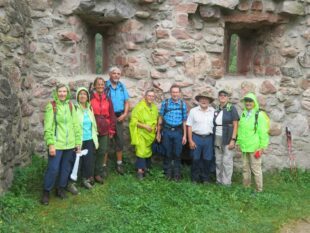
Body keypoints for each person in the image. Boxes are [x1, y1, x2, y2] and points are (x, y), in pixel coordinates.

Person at [41, 84, 82, 205]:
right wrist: (50, 144)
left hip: (70, 144)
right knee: (53, 169)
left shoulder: (71, 106)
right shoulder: (52, 106)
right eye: (60, 91)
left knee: (66, 168)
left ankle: (60, 189)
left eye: (65, 91)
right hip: (57, 144)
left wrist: (78, 142)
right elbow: (48, 127)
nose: (62, 94)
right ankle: (46, 192)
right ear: (56, 93)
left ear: (68, 93)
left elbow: (76, 125)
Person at [237, 92, 269, 192]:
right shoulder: (243, 114)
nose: (248, 103)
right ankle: (246, 187)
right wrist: (238, 142)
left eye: (250, 101)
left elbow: (263, 132)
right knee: (245, 168)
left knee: (256, 169)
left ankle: (259, 189)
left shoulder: (259, 115)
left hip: (255, 147)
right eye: (246, 101)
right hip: (244, 146)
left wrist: (262, 146)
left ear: (254, 102)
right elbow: (240, 130)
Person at [156, 85, 187, 181]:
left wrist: (185, 135)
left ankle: (177, 173)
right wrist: (158, 133)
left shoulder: (183, 104)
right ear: (170, 93)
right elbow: (160, 117)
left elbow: (184, 121)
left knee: (177, 153)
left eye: (177, 92)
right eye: (173, 92)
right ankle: (167, 172)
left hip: (178, 131)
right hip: (167, 130)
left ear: (179, 93)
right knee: (167, 152)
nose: (175, 94)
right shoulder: (165, 103)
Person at [90, 77, 116, 184]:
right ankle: (89, 174)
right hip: (93, 129)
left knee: (102, 151)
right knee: (92, 152)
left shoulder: (107, 99)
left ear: (104, 86)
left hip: (105, 129)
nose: (100, 86)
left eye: (102, 84)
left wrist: (111, 130)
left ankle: (98, 173)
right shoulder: (90, 98)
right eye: (98, 84)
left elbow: (112, 115)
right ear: (95, 86)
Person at [105, 67, 130, 175]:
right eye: (114, 73)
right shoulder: (105, 85)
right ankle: (103, 166)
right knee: (105, 142)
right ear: (110, 74)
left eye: (118, 74)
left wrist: (125, 114)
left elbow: (127, 101)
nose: (116, 75)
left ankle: (119, 164)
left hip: (119, 116)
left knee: (119, 141)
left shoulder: (122, 86)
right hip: (107, 117)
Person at [129, 90, 158, 180]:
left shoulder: (154, 107)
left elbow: (156, 118)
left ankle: (146, 169)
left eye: (152, 96)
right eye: (149, 96)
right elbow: (133, 121)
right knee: (141, 152)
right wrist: (144, 126)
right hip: (141, 133)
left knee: (148, 151)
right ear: (145, 96)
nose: (151, 97)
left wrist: (156, 126)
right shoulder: (139, 107)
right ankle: (140, 172)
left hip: (150, 134)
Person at [187, 91, 215, 184]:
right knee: (195, 158)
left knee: (207, 159)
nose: (204, 100)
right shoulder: (193, 111)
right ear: (198, 100)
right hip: (196, 137)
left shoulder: (213, 111)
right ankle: (195, 178)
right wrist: (190, 140)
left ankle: (205, 178)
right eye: (201, 99)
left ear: (209, 101)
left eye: (206, 99)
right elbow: (189, 126)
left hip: (208, 138)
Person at [214, 89, 239, 186]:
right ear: (218, 97)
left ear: (228, 97)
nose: (222, 97)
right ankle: (219, 181)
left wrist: (233, 139)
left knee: (227, 161)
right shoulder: (217, 108)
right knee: (218, 160)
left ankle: (226, 183)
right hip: (217, 137)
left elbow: (236, 124)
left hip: (228, 137)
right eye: (220, 95)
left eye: (224, 95)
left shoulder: (231, 108)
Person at [75, 87, 99, 189]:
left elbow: (93, 124)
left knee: (88, 160)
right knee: (77, 161)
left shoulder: (90, 108)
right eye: (80, 94)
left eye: (84, 94)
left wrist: (95, 138)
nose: (82, 96)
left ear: (87, 97)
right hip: (79, 139)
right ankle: (72, 182)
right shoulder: (74, 108)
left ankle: (85, 179)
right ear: (77, 96)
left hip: (89, 138)